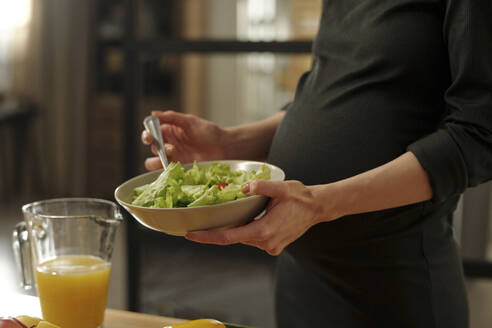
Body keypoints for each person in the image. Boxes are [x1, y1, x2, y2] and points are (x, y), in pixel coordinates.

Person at [141, 0, 492, 327]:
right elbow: (331, 91)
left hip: (393, 287)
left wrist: (319, 205)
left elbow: (480, 133)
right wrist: (231, 142)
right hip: (301, 280)